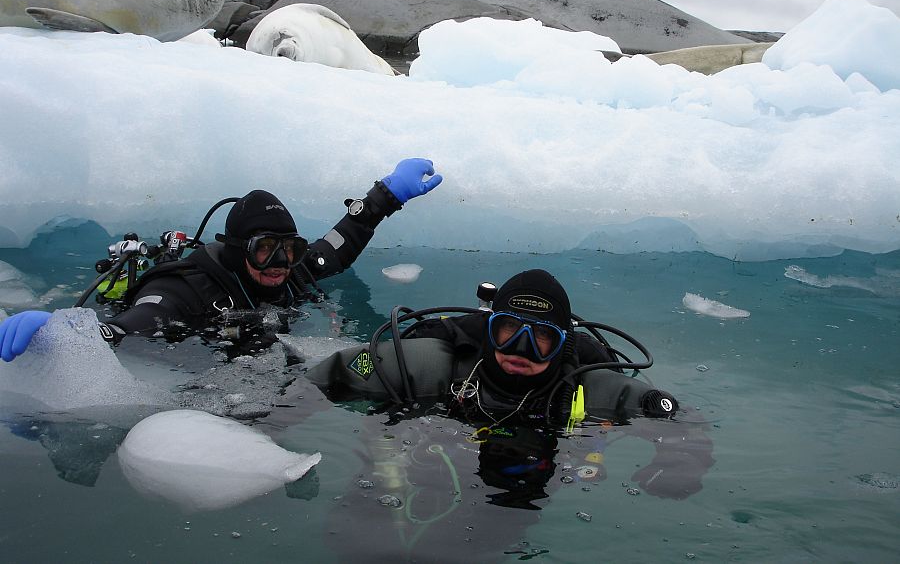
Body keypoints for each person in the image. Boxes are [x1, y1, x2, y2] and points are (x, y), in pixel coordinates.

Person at [307, 268, 714, 498]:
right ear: (488, 331)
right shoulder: (439, 366)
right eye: (508, 331)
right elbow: (329, 375)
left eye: (541, 337)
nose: (521, 349)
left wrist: (681, 464)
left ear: (562, 345)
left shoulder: (586, 388)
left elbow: (679, 420)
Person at [0, 157, 442, 359]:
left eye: (290, 250)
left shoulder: (287, 275)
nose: (280, 263)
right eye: (265, 249)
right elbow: (131, 327)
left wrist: (384, 196)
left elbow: (337, 246)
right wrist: (68, 330)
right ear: (237, 251)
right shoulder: (183, 289)